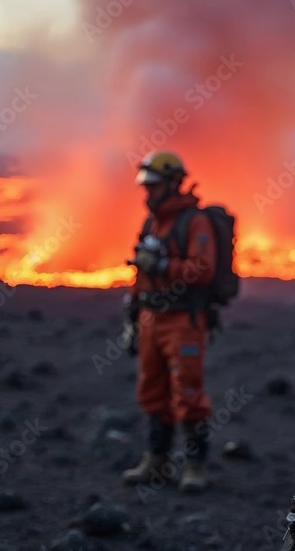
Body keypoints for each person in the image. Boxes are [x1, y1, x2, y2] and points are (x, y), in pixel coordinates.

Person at [119, 150, 216, 493]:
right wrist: (133, 313)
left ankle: (195, 465)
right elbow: (141, 274)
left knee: (188, 391)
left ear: (173, 184)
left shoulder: (194, 221)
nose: (148, 193)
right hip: (151, 318)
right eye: (146, 186)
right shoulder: (152, 223)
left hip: (182, 320)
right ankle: (156, 460)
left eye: (154, 186)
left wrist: (162, 266)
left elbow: (203, 270)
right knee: (152, 389)